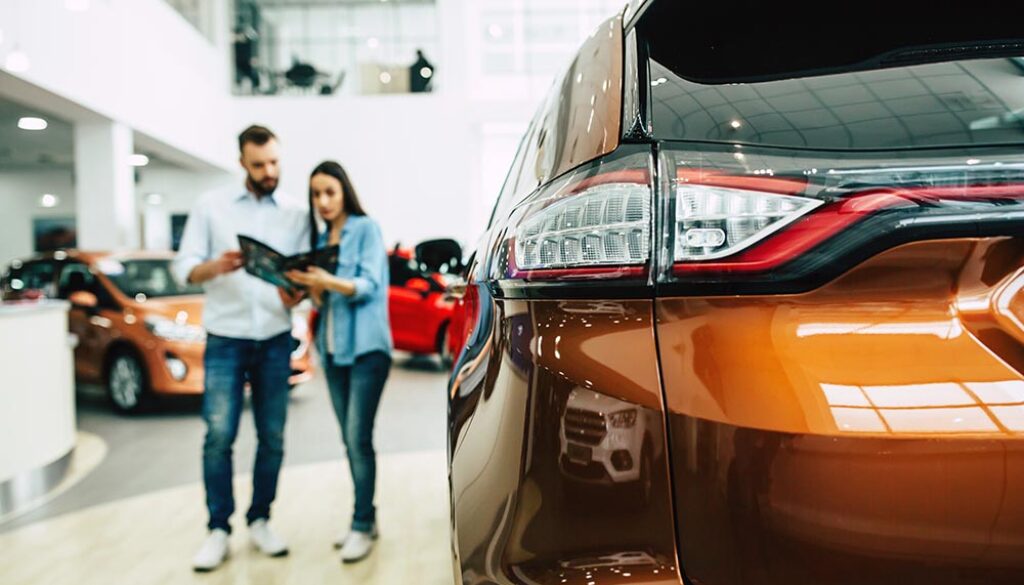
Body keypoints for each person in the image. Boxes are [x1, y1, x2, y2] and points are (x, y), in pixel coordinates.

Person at [172, 125, 309, 572]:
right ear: (241, 163)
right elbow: (182, 268)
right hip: (225, 338)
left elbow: (304, 275)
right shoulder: (211, 206)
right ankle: (218, 528)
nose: (269, 172)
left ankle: (260, 519)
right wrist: (212, 266)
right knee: (218, 437)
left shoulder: (295, 212)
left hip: (273, 337)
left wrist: (297, 293)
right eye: (258, 165)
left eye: (274, 163)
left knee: (272, 437)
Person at [286, 161, 392, 563]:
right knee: (350, 441)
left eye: (329, 192)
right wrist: (304, 287)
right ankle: (367, 518)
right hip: (332, 351)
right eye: (316, 194)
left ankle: (362, 523)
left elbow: (369, 285)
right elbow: (323, 301)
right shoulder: (319, 237)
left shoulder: (365, 228)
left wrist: (324, 280)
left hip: (367, 350)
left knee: (357, 438)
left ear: (344, 191)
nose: (323, 201)